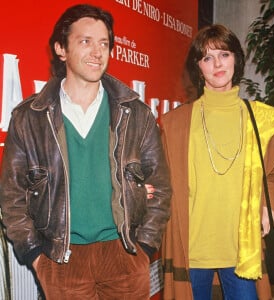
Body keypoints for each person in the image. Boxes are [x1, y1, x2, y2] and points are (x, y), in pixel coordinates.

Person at [0, 4, 171, 300]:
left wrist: (143, 249)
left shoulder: (137, 114)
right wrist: (36, 256)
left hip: (125, 254)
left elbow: (162, 188)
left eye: (104, 43)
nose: (97, 51)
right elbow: (12, 197)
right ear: (61, 49)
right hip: (61, 259)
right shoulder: (29, 117)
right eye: (85, 41)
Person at [161, 24, 274, 300]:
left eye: (224, 54)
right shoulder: (175, 124)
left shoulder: (261, 120)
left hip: (242, 250)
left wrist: (270, 205)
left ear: (236, 59)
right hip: (192, 248)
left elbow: (272, 174)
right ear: (199, 67)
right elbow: (159, 183)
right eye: (207, 57)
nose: (217, 63)